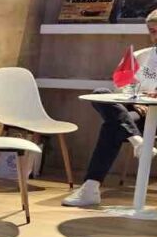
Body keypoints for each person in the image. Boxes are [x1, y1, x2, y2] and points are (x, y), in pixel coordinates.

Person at [62, 11, 157, 207]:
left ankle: (90, 188)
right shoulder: (140, 56)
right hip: (137, 114)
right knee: (101, 93)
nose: (155, 35)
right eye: (153, 31)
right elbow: (121, 87)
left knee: (112, 126)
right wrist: (136, 102)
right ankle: (137, 140)